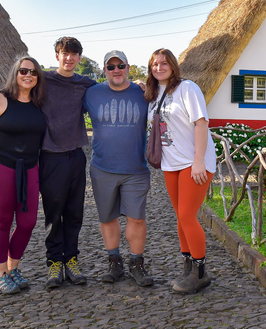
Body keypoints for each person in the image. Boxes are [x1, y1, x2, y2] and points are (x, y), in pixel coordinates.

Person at [0, 37, 95, 289]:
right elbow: (17, 87)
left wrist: (137, 83)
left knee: (75, 212)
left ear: (80, 58)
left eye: (74, 54)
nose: (69, 58)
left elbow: (111, 86)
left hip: (76, 155)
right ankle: (54, 262)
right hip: (49, 156)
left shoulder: (86, 83)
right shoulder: (43, 79)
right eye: (64, 53)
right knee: (53, 213)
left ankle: (72, 261)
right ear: (57, 55)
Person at [144, 48, 217, 294]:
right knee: (180, 216)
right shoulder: (154, 93)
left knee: (187, 215)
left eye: (164, 63)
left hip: (193, 162)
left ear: (173, 66)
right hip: (171, 163)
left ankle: (200, 272)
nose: (159, 67)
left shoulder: (188, 88)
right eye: (155, 64)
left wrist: (199, 160)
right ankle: (188, 265)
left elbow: (201, 123)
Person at [0, 56, 47, 295]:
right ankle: (1, 273)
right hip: (1, 166)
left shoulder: (40, 103)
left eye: (33, 72)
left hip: (30, 168)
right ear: (15, 73)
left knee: (28, 223)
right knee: (3, 221)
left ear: (38, 78)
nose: (28, 75)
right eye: (23, 71)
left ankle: (13, 267)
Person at [83, 50, 153, 286]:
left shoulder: (144, 93)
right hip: (102, 167)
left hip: (136, 168)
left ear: (128, 67)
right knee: (107, 217)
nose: (116, 70)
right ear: (104, 70)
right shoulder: (91, 93)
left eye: (120, 66)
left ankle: (137, 263)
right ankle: (114, 262)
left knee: (137, 218)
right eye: (111, 67)